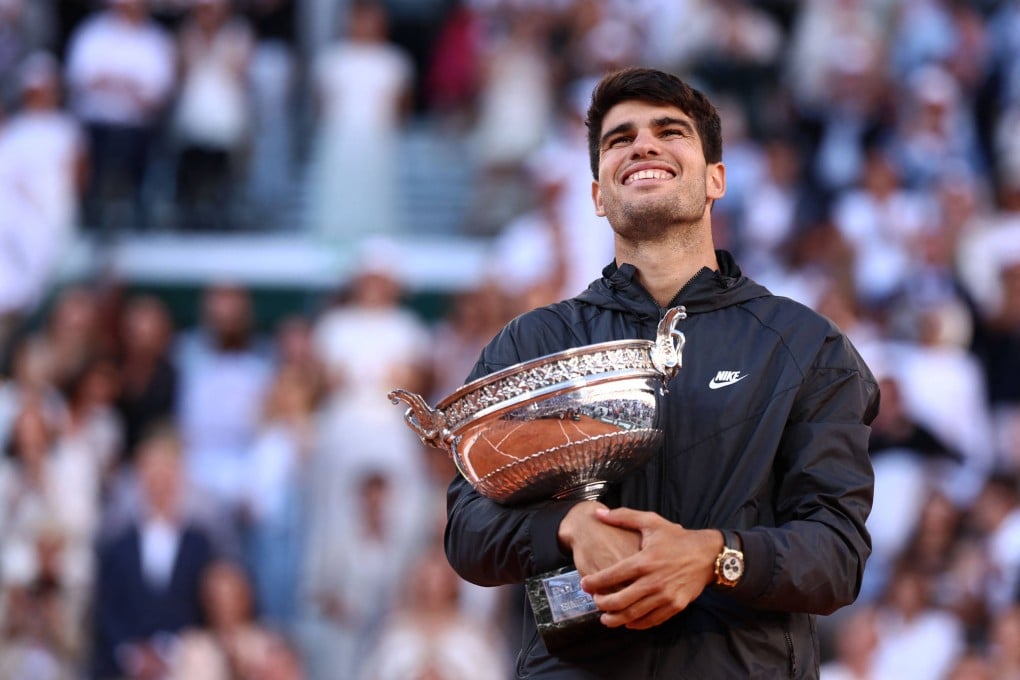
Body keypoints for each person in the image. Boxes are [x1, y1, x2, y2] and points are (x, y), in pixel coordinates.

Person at [443, 67, 879, 678]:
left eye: (669, 132)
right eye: (620, 139)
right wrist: (566, 526)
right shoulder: (535, 341)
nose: (643, 145)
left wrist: (714, 556)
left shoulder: (803, 344)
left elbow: (837, 555)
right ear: (597, 193)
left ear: (715, 179)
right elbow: (466, 530)